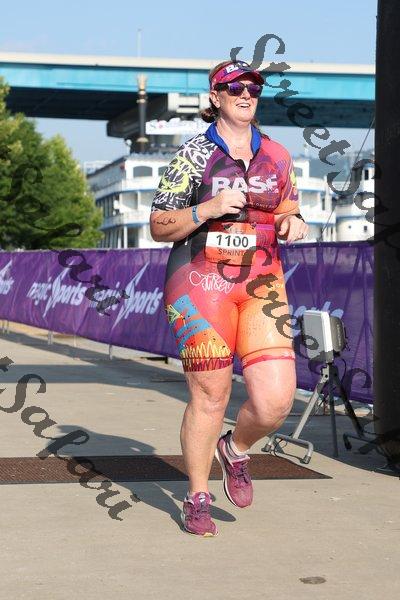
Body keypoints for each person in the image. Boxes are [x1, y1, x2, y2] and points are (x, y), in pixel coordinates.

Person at [150, 60, 309, 537]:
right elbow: (159, 225)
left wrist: (294, 221)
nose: (245, 94)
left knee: (276, 401)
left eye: (253, 89)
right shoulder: (193, 155)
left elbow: (289, 207)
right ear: (215, 97)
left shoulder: (277, 155)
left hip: (262, 283)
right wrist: (209, 207)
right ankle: (197, 494)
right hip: (200, 284)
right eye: (234, 87)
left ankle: (235, 449)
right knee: (211, 395)